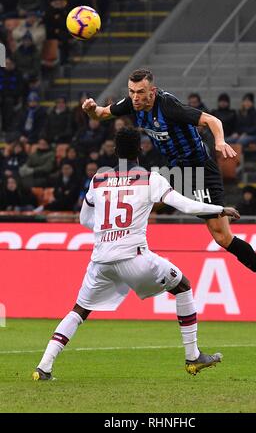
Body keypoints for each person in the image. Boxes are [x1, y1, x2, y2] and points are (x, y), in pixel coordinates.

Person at [32, 127, 240, 381]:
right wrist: (219, 208)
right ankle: (193, 355)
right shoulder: (151, 178)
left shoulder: (98, 179)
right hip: (135, 257)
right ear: (140, 150)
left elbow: (85, 219)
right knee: (183, 286)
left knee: (79, 310)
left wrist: (107, 230)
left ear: (115, 151)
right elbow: (183, 204)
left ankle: (44, 366)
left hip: (101, 260)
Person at [82, 68, 256, 315]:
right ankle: (135, 258)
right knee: (143, 201)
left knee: (222, 237)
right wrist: (91, 109)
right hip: (176, 170)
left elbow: (212, 120)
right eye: (132, 92)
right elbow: (102, 114)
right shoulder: (132, 104)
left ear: (152, 92)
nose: (135, 97)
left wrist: (219, 141)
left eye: (141, 92)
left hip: (200, 172)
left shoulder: (168, 106)